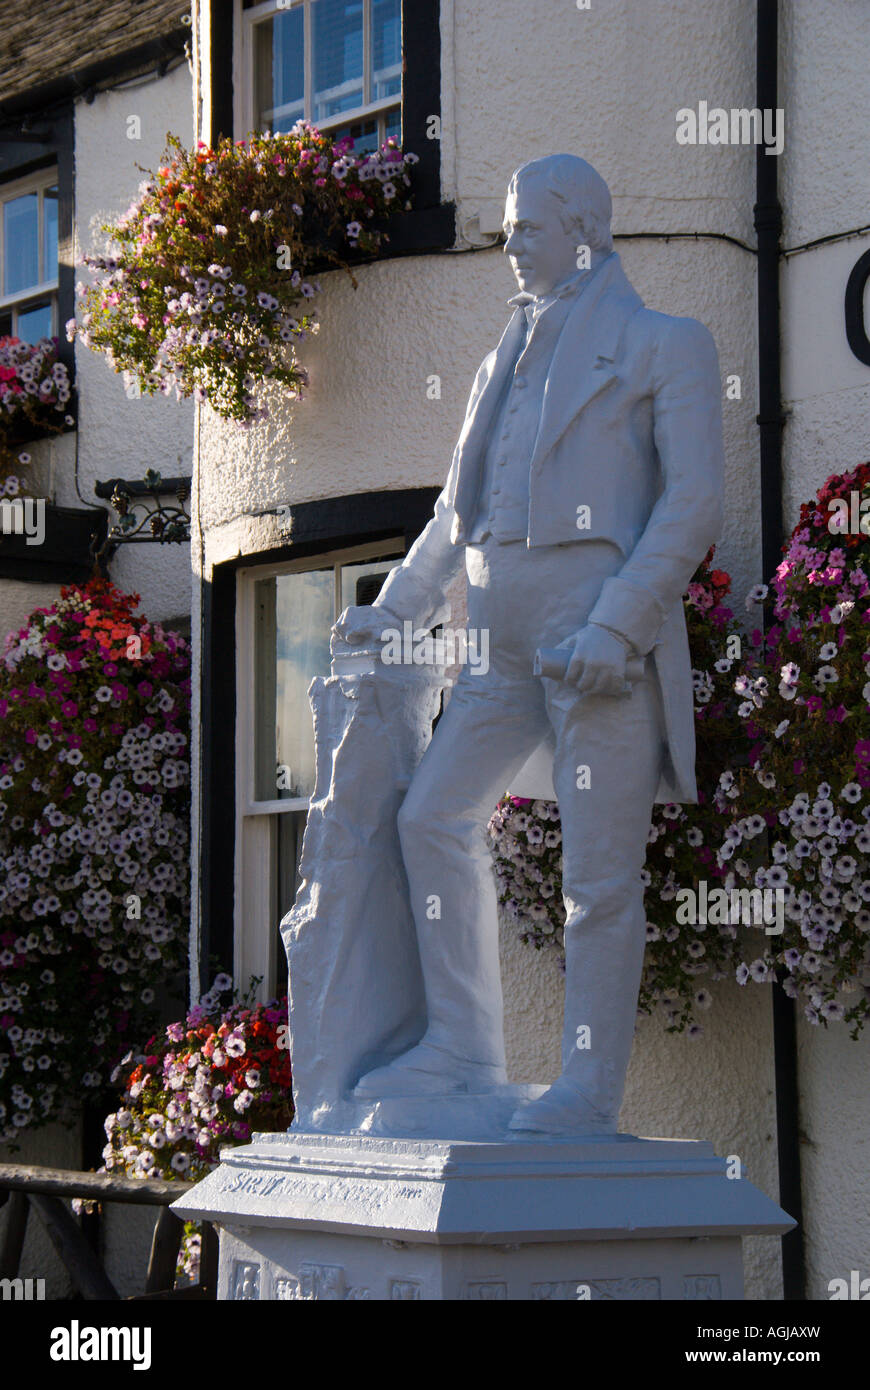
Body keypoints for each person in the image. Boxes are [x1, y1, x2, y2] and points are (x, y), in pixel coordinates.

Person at [333, 154, 724, 1136]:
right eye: (508, 227)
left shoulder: (662, 344)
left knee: (598, 879)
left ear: (585, 227)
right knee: (430, 819)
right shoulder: (498, 358)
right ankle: (461, 1049)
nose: (509, 243)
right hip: (497, 647)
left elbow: (693, 502)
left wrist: (618, 623)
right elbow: (455, 514)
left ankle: (588, 1094)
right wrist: (396, 606)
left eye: (528, 228)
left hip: (593, 643)